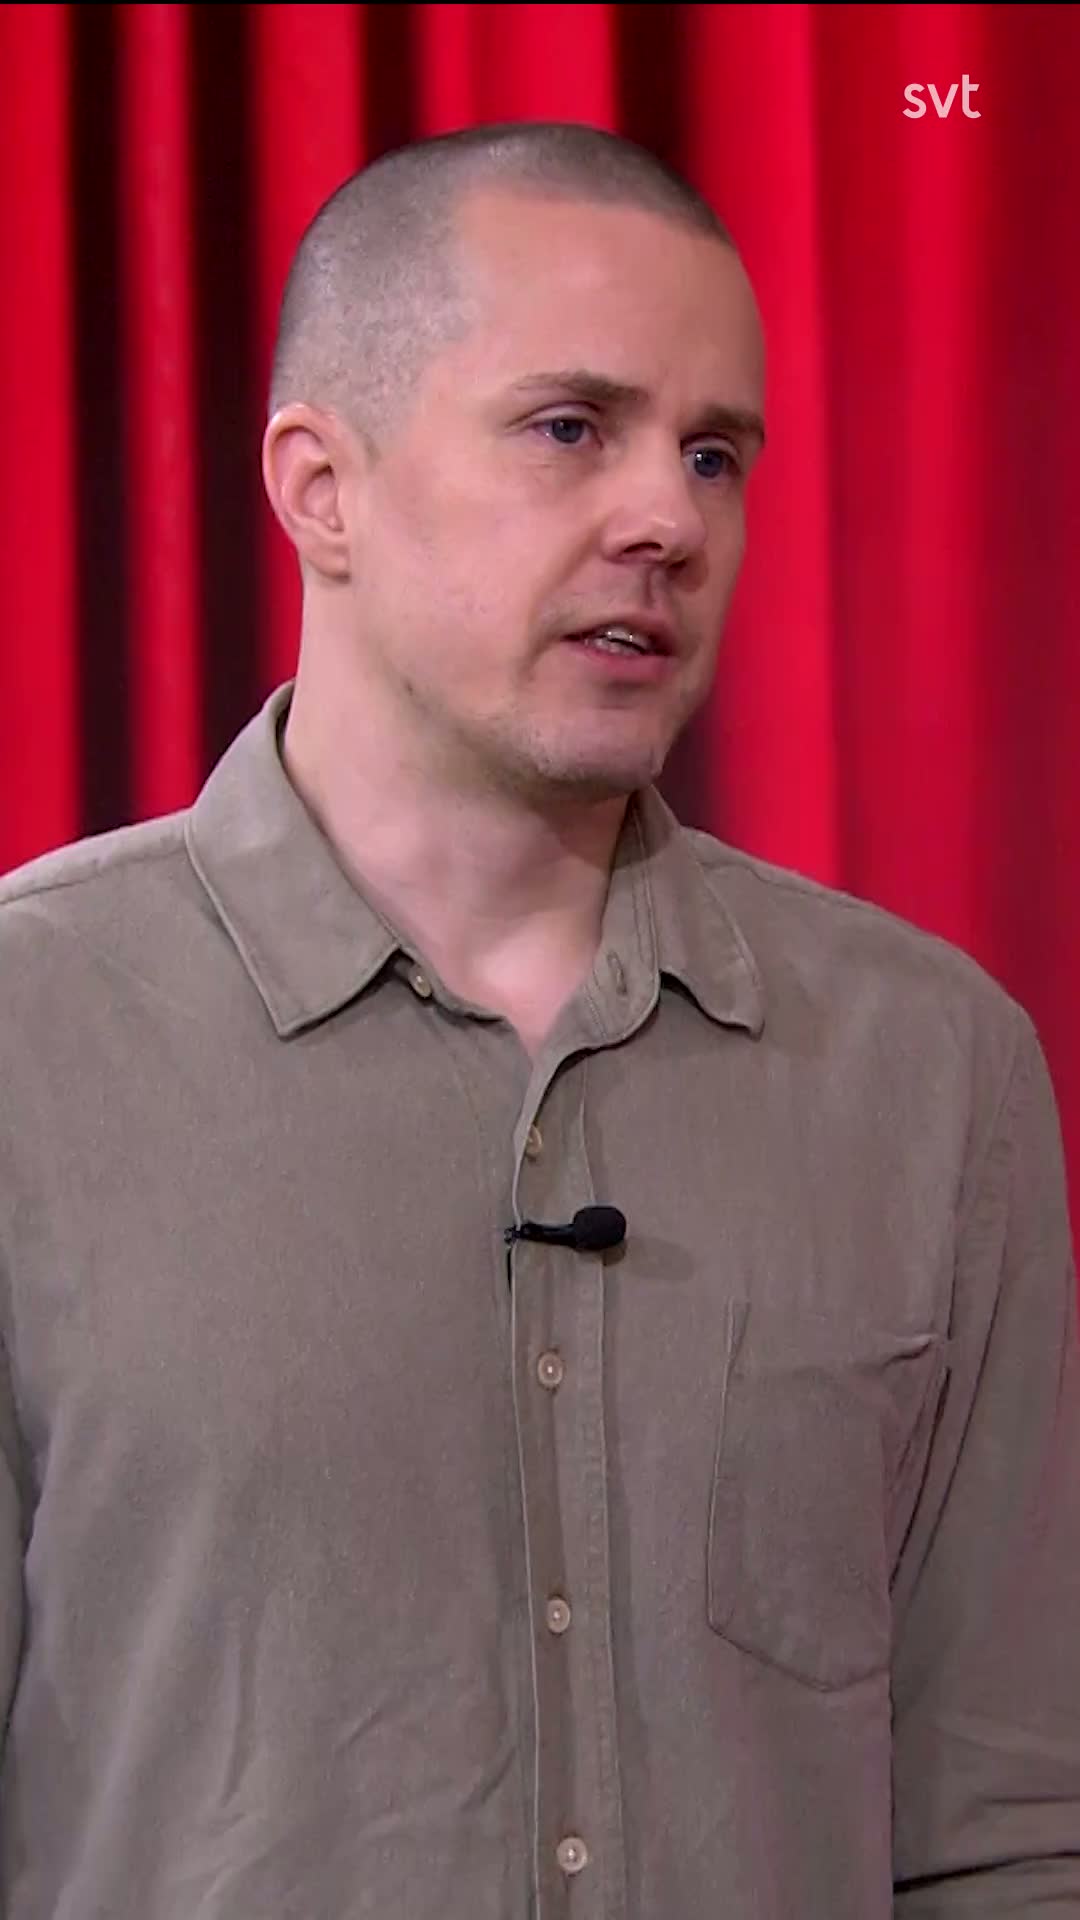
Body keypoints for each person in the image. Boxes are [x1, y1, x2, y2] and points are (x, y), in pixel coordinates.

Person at [0, 119, 1077, 1920]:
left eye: (714, 456)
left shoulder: (931, 1071)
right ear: (321, 489)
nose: (669, 520)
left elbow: (1009, 1828)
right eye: (573, 427)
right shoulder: (32, 1037)